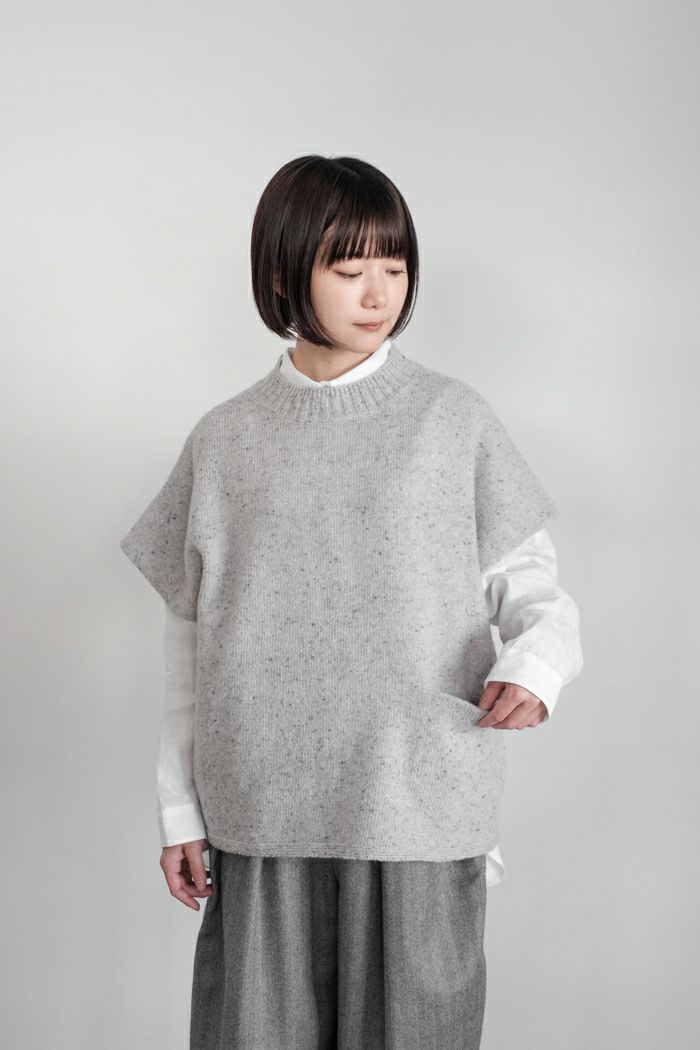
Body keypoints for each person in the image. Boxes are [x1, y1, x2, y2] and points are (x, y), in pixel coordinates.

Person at [120, 154, 583, 1049]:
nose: (378, 294)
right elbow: (189, 639)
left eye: (395, 268)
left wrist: (537, 667)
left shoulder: (452, 420)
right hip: (262, 807)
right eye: (348, 268)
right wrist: (180, 809)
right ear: (283, 274)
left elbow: (533, 587)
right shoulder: (225, 439)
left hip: (417, 796)